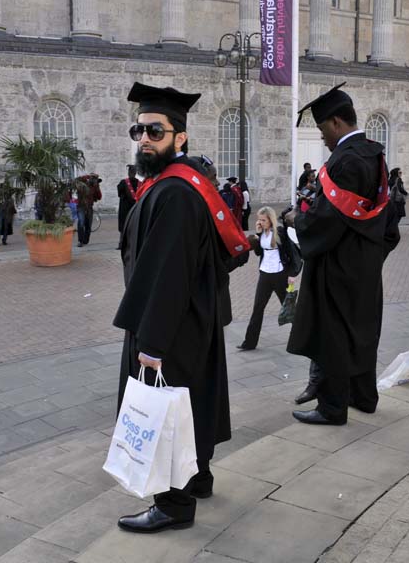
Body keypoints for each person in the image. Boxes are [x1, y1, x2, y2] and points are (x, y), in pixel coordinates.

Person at [115, 83, 250, 533]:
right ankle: (198, 477)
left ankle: (173, 505)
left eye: (156, 130)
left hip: (167, 325)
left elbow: (167, 274)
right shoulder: (185, 184)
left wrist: (150, 342)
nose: (145, 139)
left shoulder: (174, 192)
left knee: (165, 410)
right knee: (191, 402)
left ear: (181, 137)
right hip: (191, 320)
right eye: (140, 130)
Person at [283, 82, 400, 425]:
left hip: (338, 263)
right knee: (361, 330)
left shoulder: (346, 160)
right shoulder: (374, 153)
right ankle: (363, 397)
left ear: (336, 122)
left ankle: (333, 407)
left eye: (321, 129)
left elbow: (327, 218)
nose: (321, 137)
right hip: (364, 263)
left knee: (333, 333)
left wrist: (297, 219)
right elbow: (384, 213)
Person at [237, 207, 296, 351]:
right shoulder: (261, 233)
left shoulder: (280, 232)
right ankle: (249, 342)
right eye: (259, 220)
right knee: (258, 308)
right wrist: (257, 235)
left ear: (271, 219)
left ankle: (300, 338)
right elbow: (258, 253)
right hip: (264, 274)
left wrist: (292, 274)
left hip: (280, 274)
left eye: (263, 220)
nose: (260, 222)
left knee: (289, 307)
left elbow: (292, 253)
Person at [75, 174, 102, 247]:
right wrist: (87, 176)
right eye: (93, 179)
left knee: (88, 225)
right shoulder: (82, 183)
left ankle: (85, 240)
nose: (94, 181)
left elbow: (99, 197)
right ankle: (80, 241)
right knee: (81, 222)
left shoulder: (95, 186)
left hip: (89, 207)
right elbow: (76, 180)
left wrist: (97, 187)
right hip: (81, 207)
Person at [116, 165, 140, 235]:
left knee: (124, 228)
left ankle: (123, 243)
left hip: (125, 209)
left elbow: (120, 194)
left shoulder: (123, 183)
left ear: (128, 173)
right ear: (135, 173)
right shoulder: (140, 183)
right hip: (136, 208)